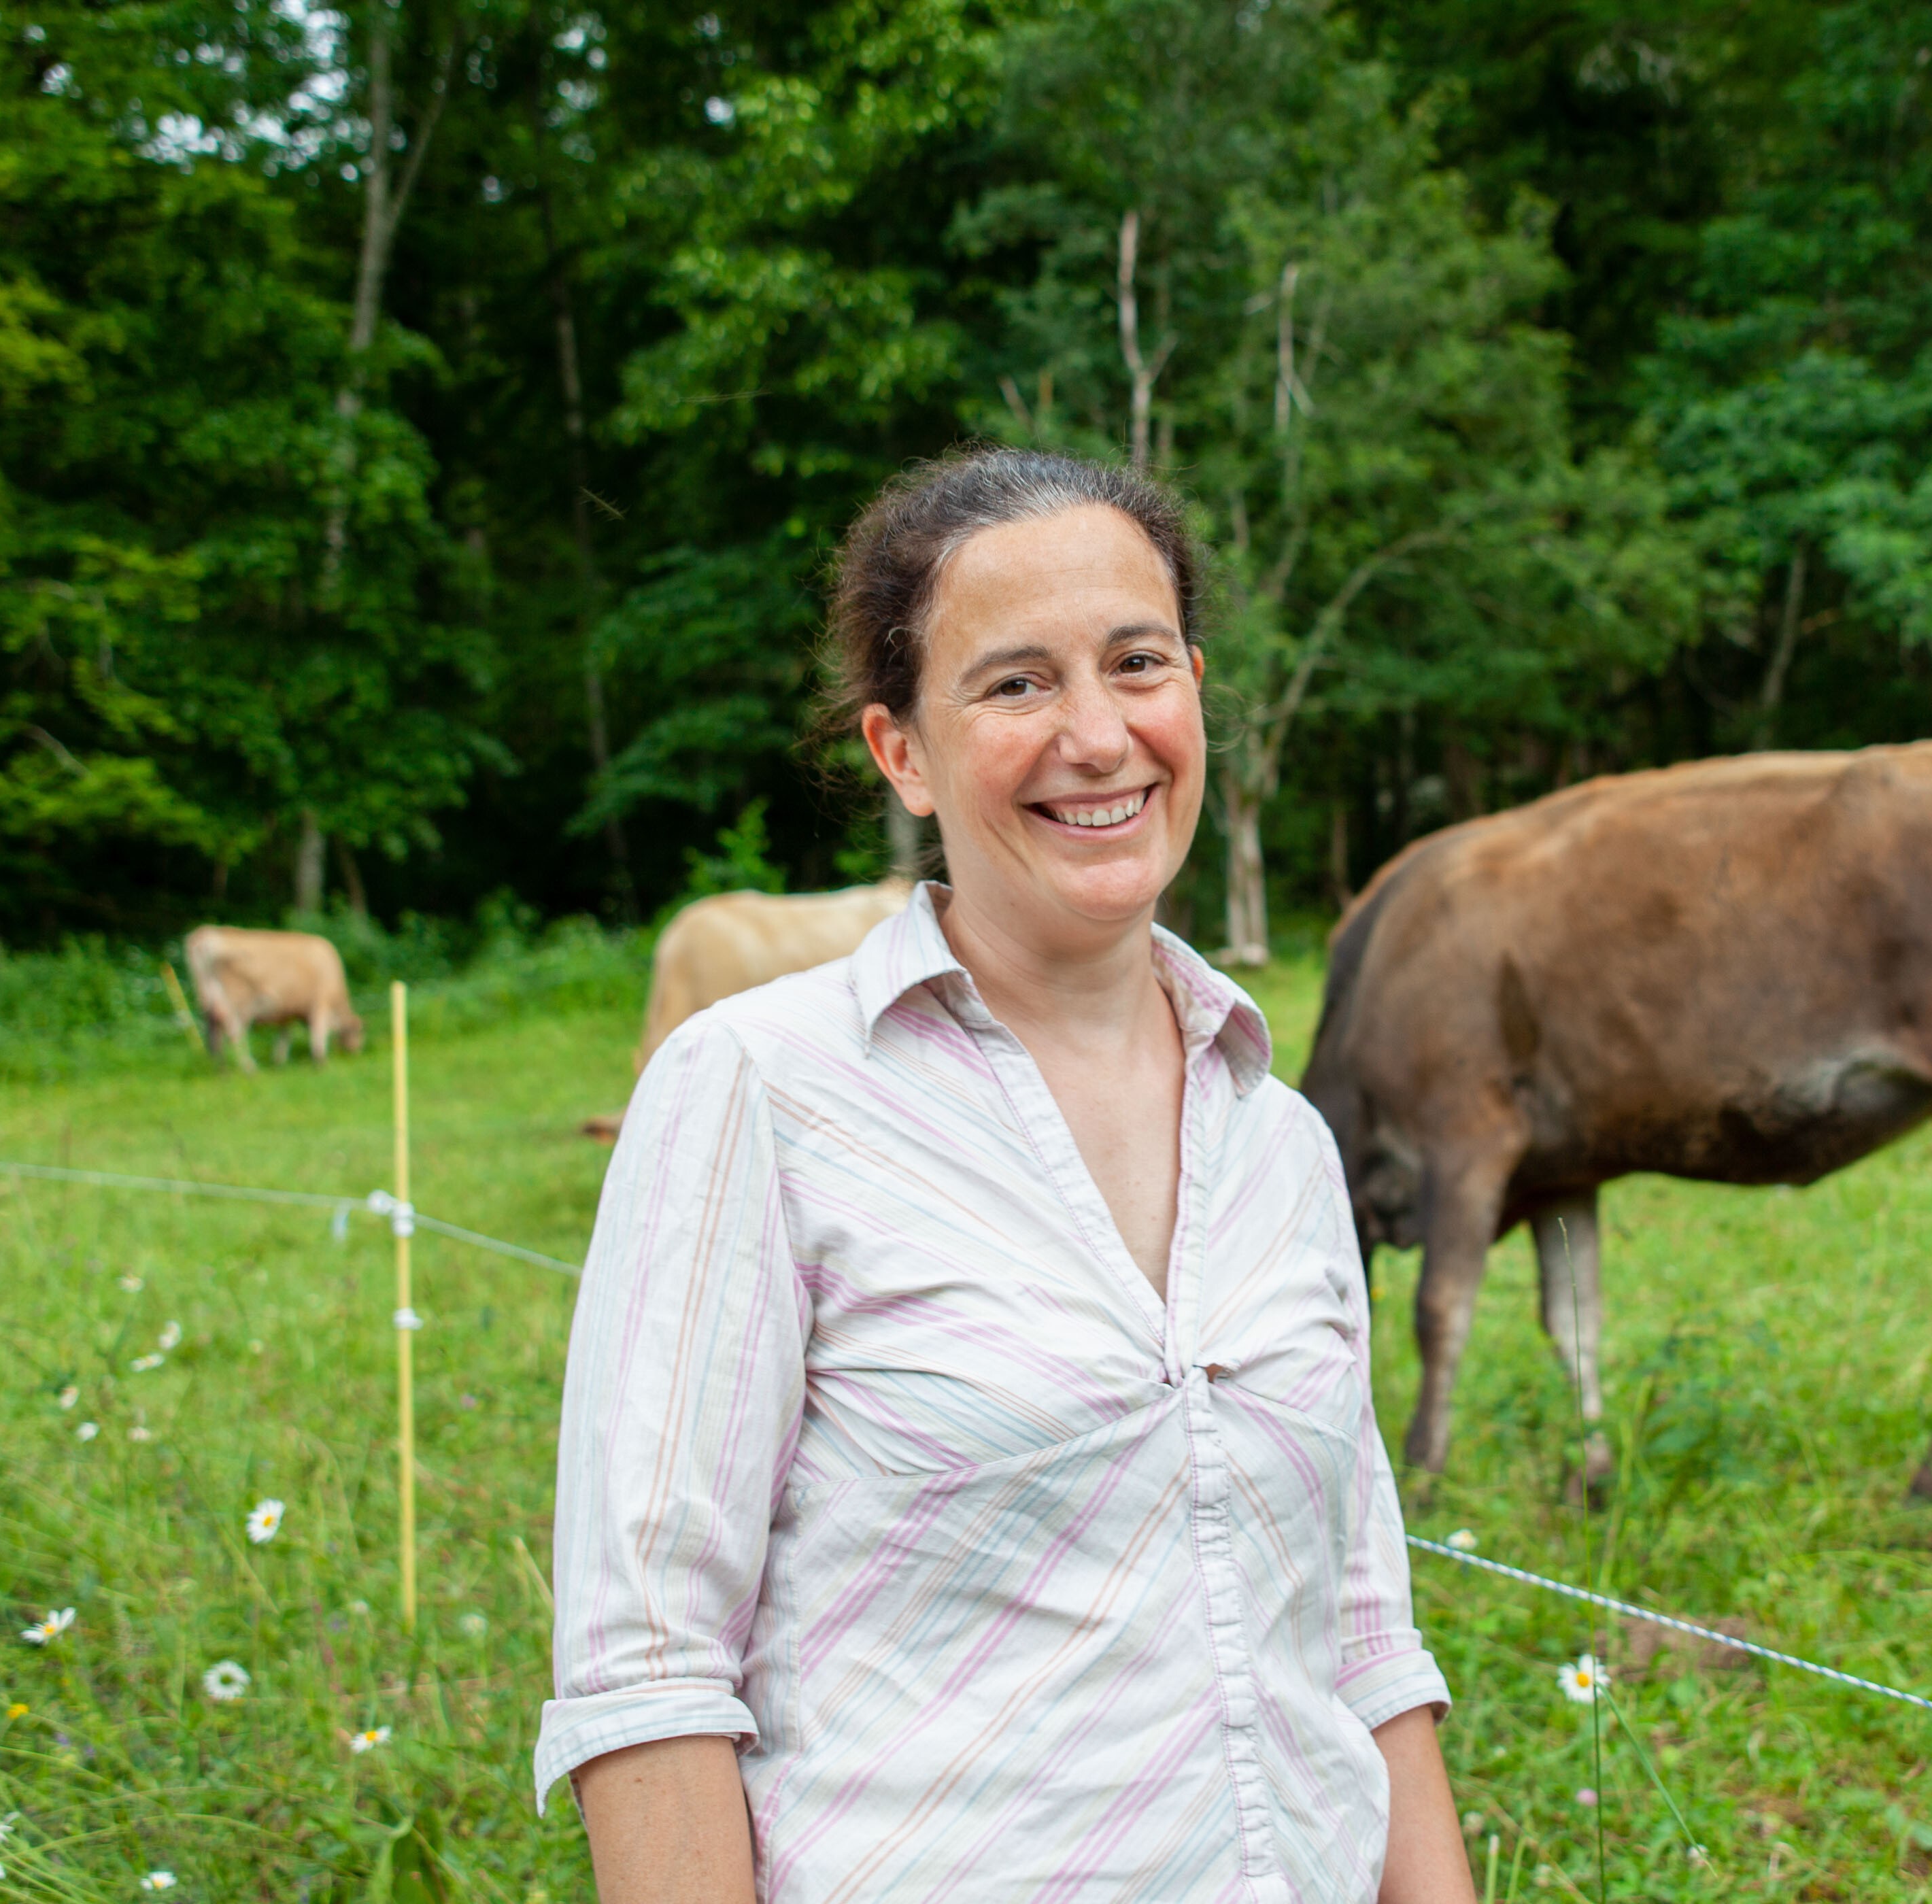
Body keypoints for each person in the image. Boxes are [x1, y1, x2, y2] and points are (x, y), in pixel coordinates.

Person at [538, 445, 1475, 1904]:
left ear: (1196, 689)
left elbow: (1360, 1634)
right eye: (1016, 683)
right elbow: (647, 1663)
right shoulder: (758, 1094)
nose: (1098, 734)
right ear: (900, 747)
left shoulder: (1281, 1137)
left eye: (1137, 662)